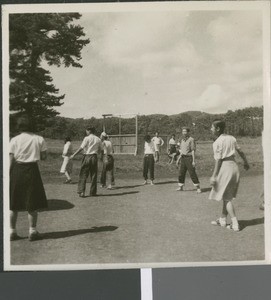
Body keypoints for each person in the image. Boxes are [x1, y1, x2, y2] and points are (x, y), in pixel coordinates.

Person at [9, 116, 48, 241]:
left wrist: (8, 174)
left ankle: (12, 231)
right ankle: (32, 231)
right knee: (32, 202)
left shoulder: (14, 139)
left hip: (17, 170)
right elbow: (44, 157)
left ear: (19, 126)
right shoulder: (39, 139)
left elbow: (10, 160)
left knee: (13, 203)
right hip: (32, 170)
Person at [209, 120, 250, 232]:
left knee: (227, 198)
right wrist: (246, 162)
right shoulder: (232, 138)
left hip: (225, 168)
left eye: (212, 127)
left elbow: (218, 160)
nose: (210, 129)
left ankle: (235, 223)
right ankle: (222, 219)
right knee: (226, 195)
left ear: (217, 129)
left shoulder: (217, 142)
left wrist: (214, 175)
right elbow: (240, 151)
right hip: (234, 168)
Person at [70, 127, 102, 197]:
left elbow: (81, 148)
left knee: (83, 174)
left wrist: (73, 155)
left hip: (87, 156)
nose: (86, 132)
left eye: (86, 131)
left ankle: (81, 192)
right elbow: (100, 149)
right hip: (94, 157)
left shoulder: (86, 138)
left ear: (89, 131)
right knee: (94, 174)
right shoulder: (98, 139)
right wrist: (98, 155)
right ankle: (93, 192)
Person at [176, 127, 201, 193]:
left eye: (185, 131)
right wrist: (178, 160)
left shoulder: (191, 139)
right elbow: (182, 151)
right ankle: (180, 186)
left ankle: (198, 188)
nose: (184, 133)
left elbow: (193, 151)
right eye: (183, 131)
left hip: (189, 158)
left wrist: (193, 161)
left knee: (192, 173)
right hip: (183, 158)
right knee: (181, 173)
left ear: (188, 132)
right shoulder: (182, 140)